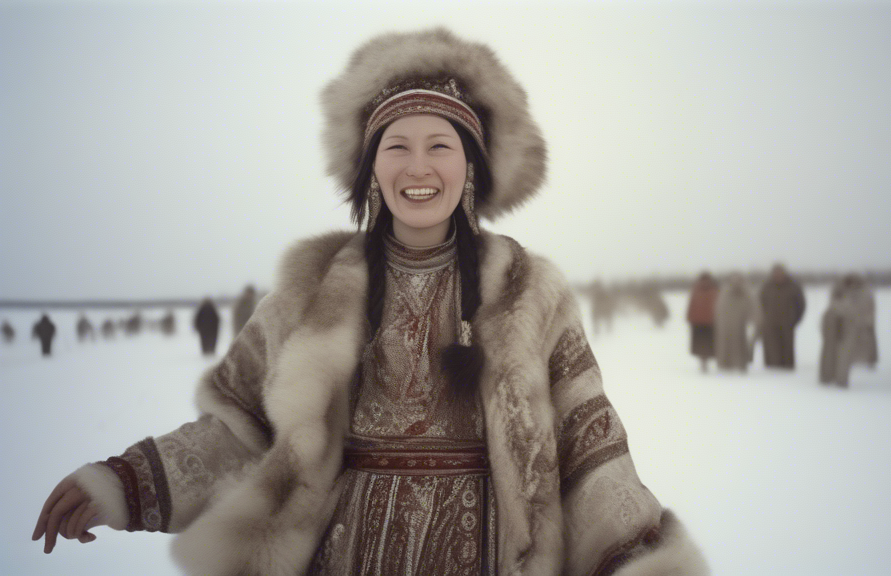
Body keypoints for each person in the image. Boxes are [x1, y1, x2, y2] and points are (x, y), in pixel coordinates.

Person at [32, 29, 707, 576]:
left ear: (469, 167)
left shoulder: (526, 290)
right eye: (398, 147)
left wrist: (640, 562)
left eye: (440, 146)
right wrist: (123, 483)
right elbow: (240, 430)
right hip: (344, 551)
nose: (419, 168)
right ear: (371, 170)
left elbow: (589, 446)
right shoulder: (316, 289)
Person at [830, 274, 877, 388]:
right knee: (843, 355)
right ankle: (841, 380)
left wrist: (866, 324)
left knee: (849, 355)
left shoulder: (865, 293)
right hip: (843, 328)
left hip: (859, 328)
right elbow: (835, 308)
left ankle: (841, 379)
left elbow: (869, 310)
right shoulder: (840, 292)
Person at [758, 263, 805, 369]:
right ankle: (773, 370)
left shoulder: (793, 286)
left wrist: (795, 320)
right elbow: (760, 304)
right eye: (776, 273)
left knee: (787, 349)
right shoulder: (767, 287)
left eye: (780, 273)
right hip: (770, 324)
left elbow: (801, 305)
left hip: (787, 323)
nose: (778, 275)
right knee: (772, 349)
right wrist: (764, 319)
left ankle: (787, 371)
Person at [714, 273, 759, 372]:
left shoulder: (747, 293)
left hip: (741, 326)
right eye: (734, 280)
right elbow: (720, 309)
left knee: (741, 346)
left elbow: (753, 308)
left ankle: (742, 365)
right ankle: (725, 365)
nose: (736, 283)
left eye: (738, 280)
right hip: (726, 325)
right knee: (726, 346)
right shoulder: (725, 293)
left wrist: (752, 320)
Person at [686, 272, 718, 372]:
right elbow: (692, 304)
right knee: (703, 344)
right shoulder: (710, 290)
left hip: (705, 322)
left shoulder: (712, 290)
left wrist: (690, 317)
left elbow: (718, 306)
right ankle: (704, 361)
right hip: (703, 322)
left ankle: (704, 361)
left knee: (706, 344)